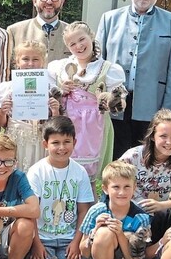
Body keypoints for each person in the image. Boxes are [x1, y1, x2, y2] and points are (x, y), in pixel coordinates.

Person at [96, 0, 171, 160]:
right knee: (115, 160)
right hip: (115, 105)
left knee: (147, 160)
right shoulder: (109, 19)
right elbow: (98, 64)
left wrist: (167, 111)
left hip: (152, 103)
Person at [47, 21, 126, 184]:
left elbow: (120, 103)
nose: (78, 46)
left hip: (93, 128)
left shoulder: (107, 69)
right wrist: (61, 91)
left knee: (87, 180)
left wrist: (107, 99)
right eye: (72, 44)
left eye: (82, 40)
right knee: (64, 174)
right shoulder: (61, 67)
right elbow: (51, 98)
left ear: (91, 37)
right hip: (67, 126)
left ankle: (88, 207)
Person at [25, 116, 94, 259]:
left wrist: (77, 241)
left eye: (67, 142)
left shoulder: (80, 172)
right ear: (45, 144)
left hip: (68, 238)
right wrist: (36, 244)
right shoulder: (36, 172)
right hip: (42, 238)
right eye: (55, 142)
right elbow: (31, 211)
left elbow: (83, 211)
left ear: (74, 142)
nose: (61, 148)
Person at [78, 161, 155, 259]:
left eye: (127, 187)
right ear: (105, 189)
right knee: (105, 233)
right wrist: (94, 232)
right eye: (116, 187)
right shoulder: (97, 211)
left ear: (134, 189)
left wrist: (120, 234)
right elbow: (84, 252)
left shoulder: (141, 217)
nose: (122, 192)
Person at [0, 40, 59, 172]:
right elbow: (1, 123)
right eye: (25, 59)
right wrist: (2, 111)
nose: (30, 63)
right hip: (17, 138)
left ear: (43, 62)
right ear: (17, 62)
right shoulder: (7, 88)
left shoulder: (50, 88)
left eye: (35, 59)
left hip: (41, 138)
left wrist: (55, 110)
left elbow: (56, 123)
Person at [119, 109, 171, 214]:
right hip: (132, 211)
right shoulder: (131, 157)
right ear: (153, 136)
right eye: (163, 136)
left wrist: (162, 205)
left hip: (167, 211)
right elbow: (114, 188)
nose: (169, 142)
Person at [7, 0, 71, 64]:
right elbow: (7, 69)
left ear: (62, 1)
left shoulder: (74, 34)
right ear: (34, 1)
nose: (49, 2)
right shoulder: (14, 32)